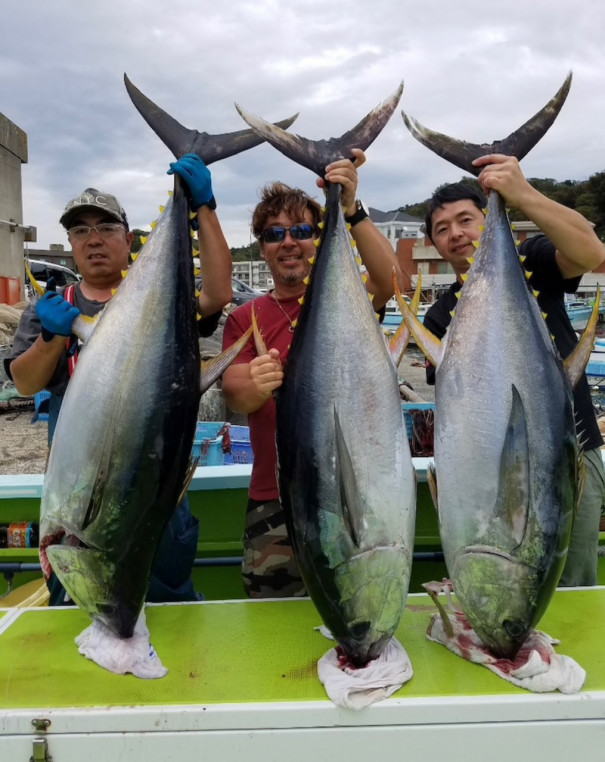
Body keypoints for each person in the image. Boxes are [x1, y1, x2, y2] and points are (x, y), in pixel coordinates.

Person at [5, 153, 233, 603]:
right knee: (82, 604)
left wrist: (204, 206)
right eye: (80, 230)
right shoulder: (49, 307)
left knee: (170, 610)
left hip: (158, 482)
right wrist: (52, 336)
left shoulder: (162, 300)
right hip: (81, 488)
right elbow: (26, 383)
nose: (93, 240)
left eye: (106, 228)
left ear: (127, 239)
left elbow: (219, 294)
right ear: (69, 243)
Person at [220, 150, 402, 598]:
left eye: (303, 231)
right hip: (274, 500)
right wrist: (252, 384)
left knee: (357, 608)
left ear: (318, 240)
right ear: (261, 247)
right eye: (274, 234)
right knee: (272, 626)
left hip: (355, 492)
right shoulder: (246, 318)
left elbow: (391, 281)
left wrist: (351, 209)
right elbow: (234, 394)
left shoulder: (351, 300)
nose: (289, 242)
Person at [422, 153, 605, 587]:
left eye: (465, 220)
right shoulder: (439, 314)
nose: (456, 234)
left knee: (570, 582)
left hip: (567, 456)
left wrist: (519, 194)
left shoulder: (532, 264)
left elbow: (591, 251)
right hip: (482, 474)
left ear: (486, 220)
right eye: (442, 229)